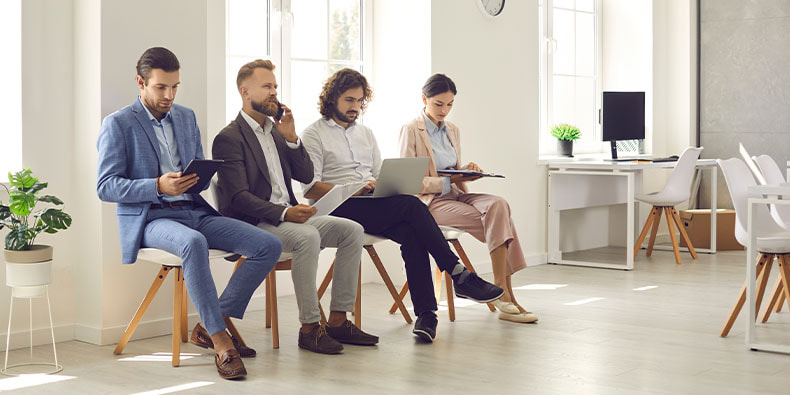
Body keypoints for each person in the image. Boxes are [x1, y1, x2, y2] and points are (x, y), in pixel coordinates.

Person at [96, 47, 282, 380]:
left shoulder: (186, 116)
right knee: (193, 243)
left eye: (175, 87)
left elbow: (196, 174)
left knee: (267, 245)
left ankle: (210, 324)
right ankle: (222, 340)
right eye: (160, 87)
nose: (169, 95)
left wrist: (197, 178)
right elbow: (106, 186)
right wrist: (157, 186)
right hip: (152, 218)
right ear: (141, 82)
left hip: (193, 209)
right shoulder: (118, 124)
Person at [300, 68, 505, 343]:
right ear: (332, 98)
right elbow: (311, 188)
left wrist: (379, 184)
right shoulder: (314, 134)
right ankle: (458, 274)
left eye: (360, 101)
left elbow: (377, 174)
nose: (355, 107)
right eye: (349, 100)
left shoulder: (366, 134)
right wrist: (353, 188)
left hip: (370, 202)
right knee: (411, 207)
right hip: (337, 205)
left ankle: (427, 316)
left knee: (412, 233)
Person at [212, 59, 377, 355]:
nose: (274, 92)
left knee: (352, 231)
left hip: (288, 216)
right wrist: (285, 213)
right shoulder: (229, 138)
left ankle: (338, 319)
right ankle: (310, 328)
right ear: (245, 91)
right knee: (307, 237)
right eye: (266, 87)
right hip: (256, 222)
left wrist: (291, 139)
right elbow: (237, 197)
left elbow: (305, 176)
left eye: (275, 86)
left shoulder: (276, 132)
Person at [399, 73, 537, 323]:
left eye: (450, 104)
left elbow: (453, 169)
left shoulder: (452, 129)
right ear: (424, 99)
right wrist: (447, 181)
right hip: (430, 203)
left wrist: (467, 171)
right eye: (438, 104)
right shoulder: (411, 130)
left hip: (457, 194)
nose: (445, 110)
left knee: (499, 205)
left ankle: (498, 289)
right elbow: (408, 182)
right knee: (501, 221)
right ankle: (506, 297)